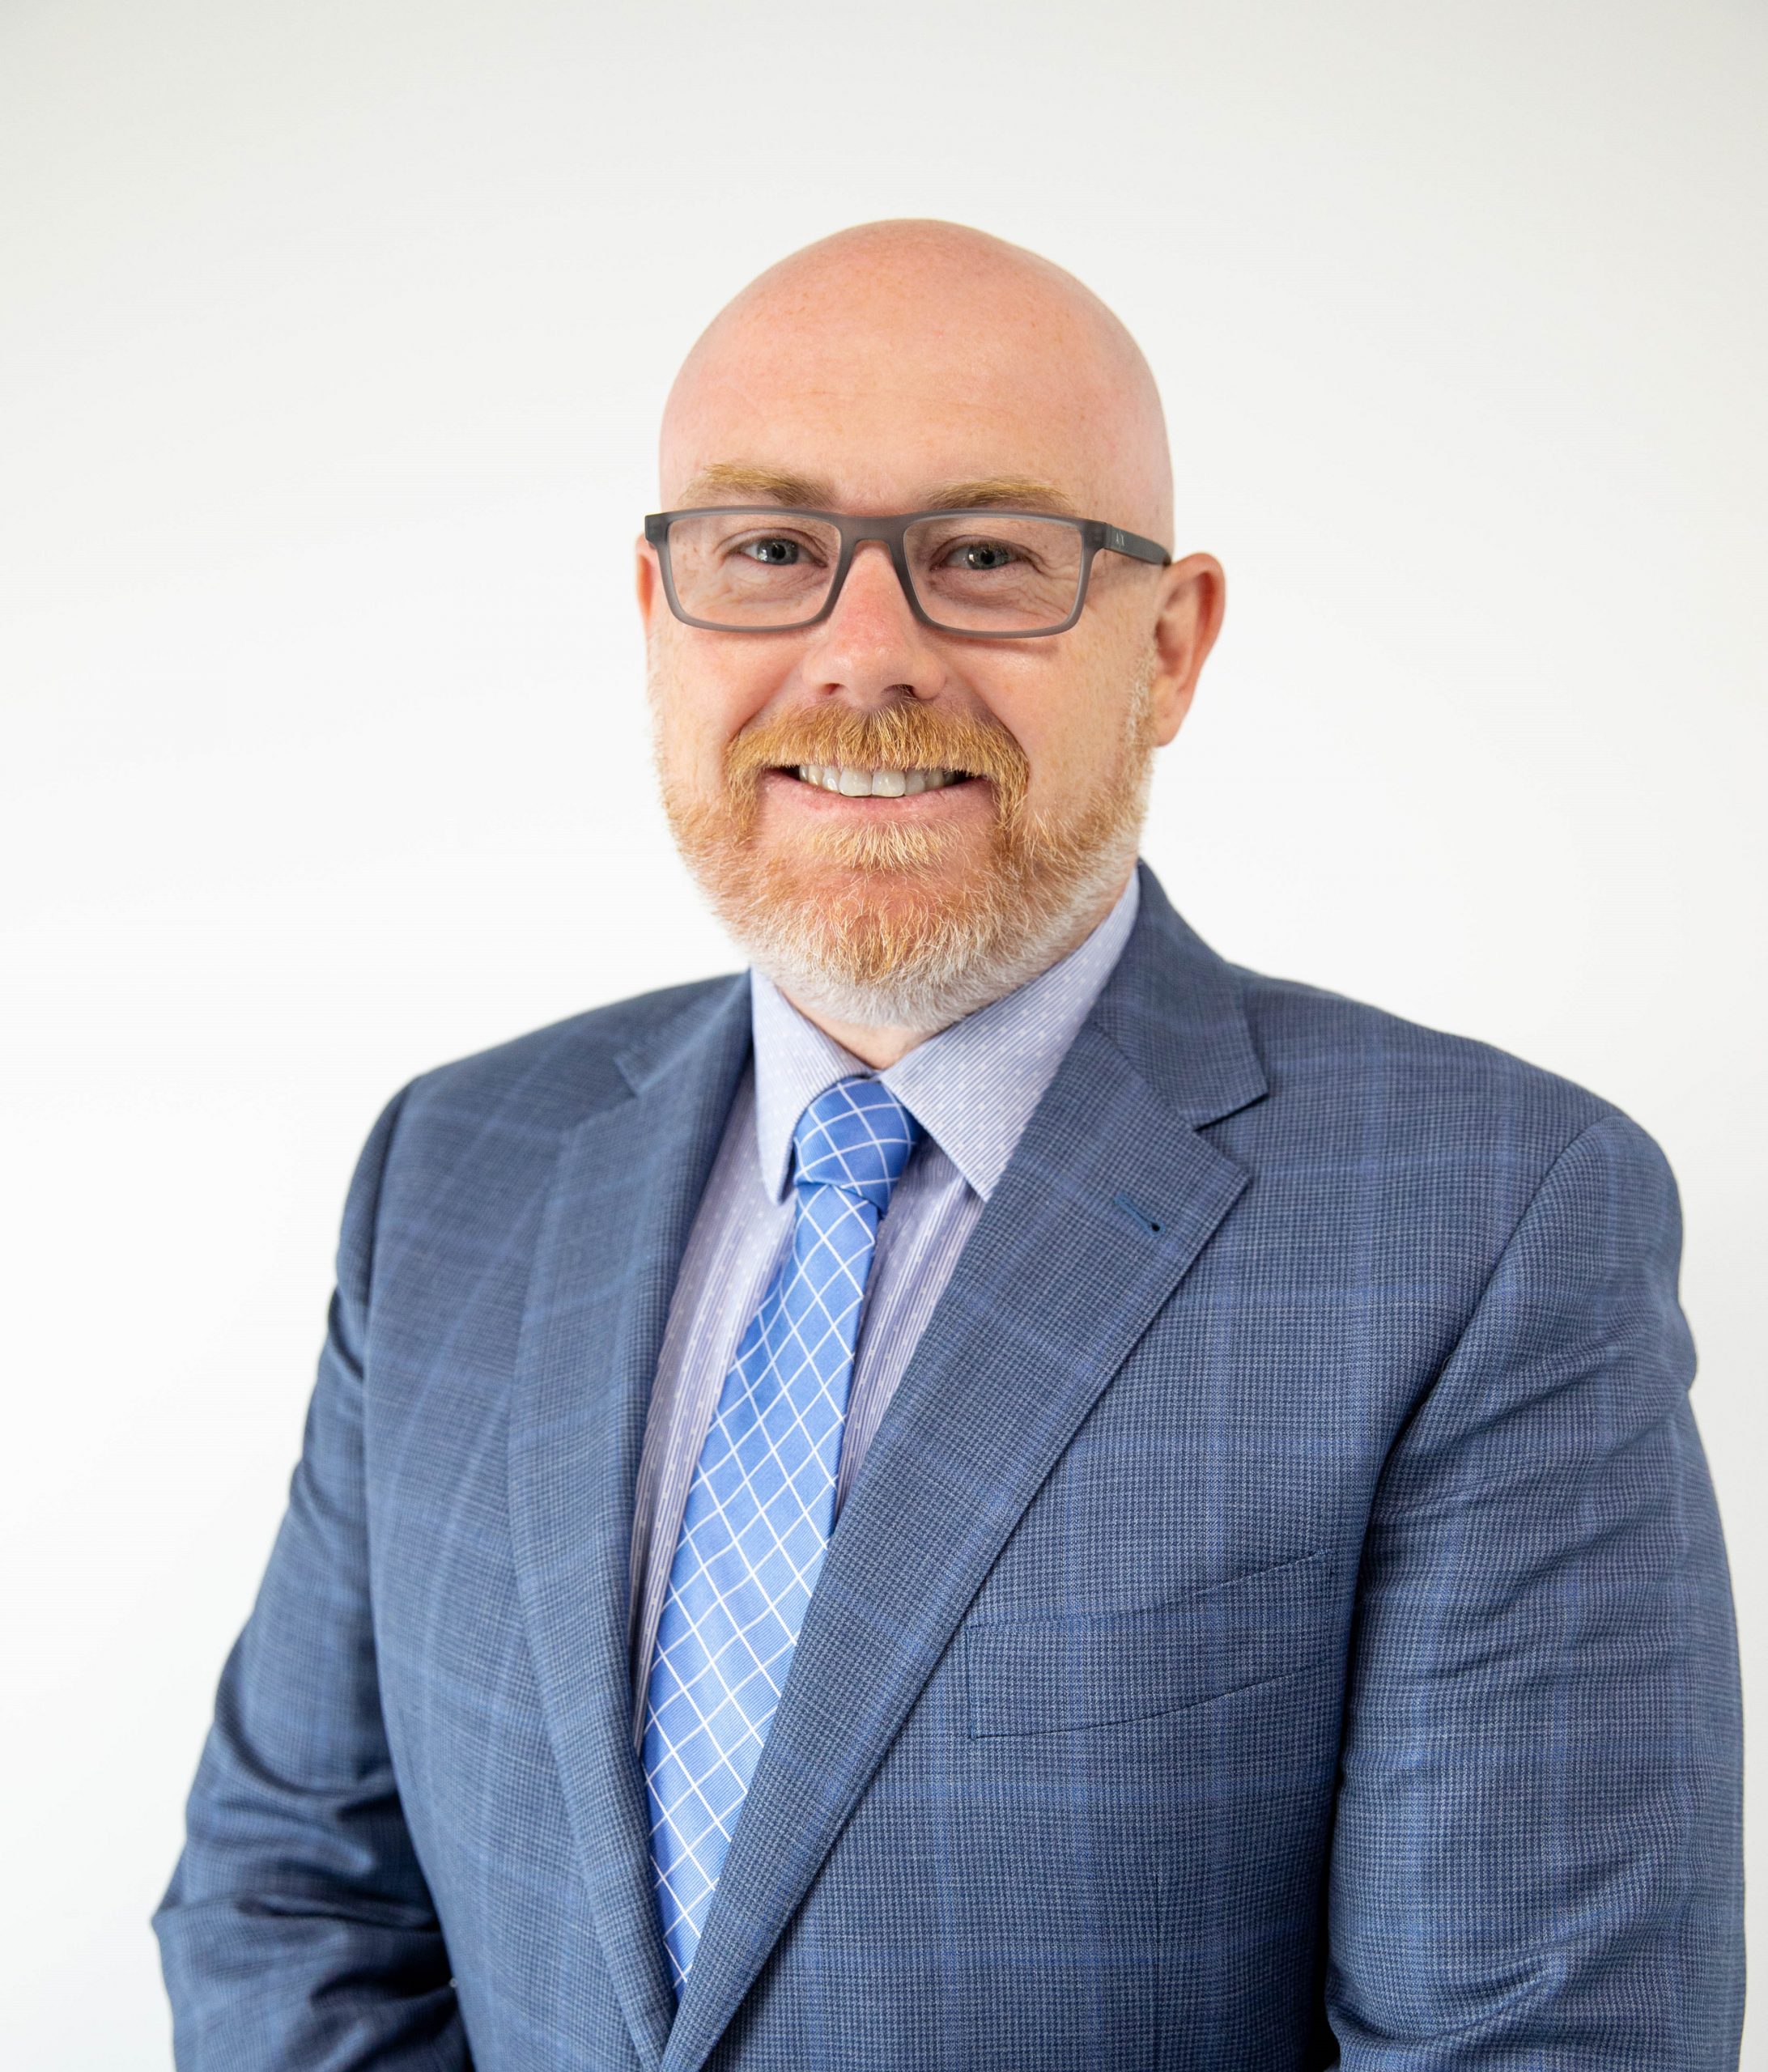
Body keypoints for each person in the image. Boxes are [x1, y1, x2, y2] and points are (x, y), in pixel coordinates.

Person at [154, 219, 1745, 2070]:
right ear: (658, 614)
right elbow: (293, 1900)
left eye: (987, 556)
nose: (864, 655)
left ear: (1171, 645)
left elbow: (1538, 2042)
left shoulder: (1490, 1222)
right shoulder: (458, 1166)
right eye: (770, 551)